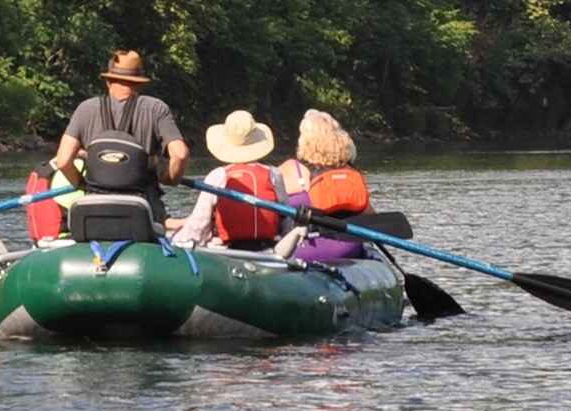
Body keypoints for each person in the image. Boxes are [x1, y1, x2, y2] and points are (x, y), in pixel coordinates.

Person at [48, 48, 187, 202]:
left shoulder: (85, 109)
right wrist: (170, 179)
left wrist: (81, 184)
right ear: (139, 83)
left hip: (95, 204)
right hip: (142, 204)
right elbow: (180, 155)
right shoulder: (156, 108)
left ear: (108, 81)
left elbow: (62, 161)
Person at [168, 110, 286, 251]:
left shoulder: (218, 176)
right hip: (269, 250)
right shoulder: (274, 174)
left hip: (229, 251)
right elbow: (287, 221)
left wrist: (176, 240)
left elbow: (198, 226)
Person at [273, 109, 371, 263]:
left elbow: (273, 211)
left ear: (304, 140)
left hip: (305, 249)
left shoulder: (291, 169)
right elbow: (370, 217)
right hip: (349, 248)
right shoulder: (350, 173)